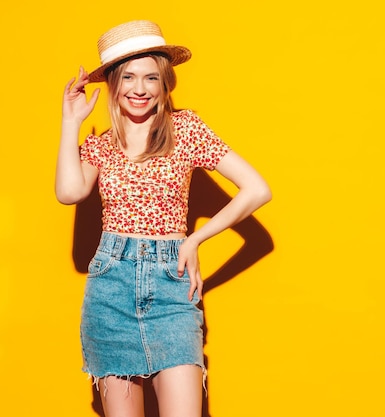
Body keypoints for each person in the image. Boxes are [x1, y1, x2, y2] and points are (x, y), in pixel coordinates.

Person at [55, 20, 272, 417]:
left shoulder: (186, 129)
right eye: (130, 77)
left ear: (165, 82)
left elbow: (258, 189)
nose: (140, 89)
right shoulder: (101, 145)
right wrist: (71, 122)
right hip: (110, 290)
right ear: (114, 83)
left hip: (172, 288)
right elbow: (69, 193)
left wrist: (194, 239)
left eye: (151, 77)